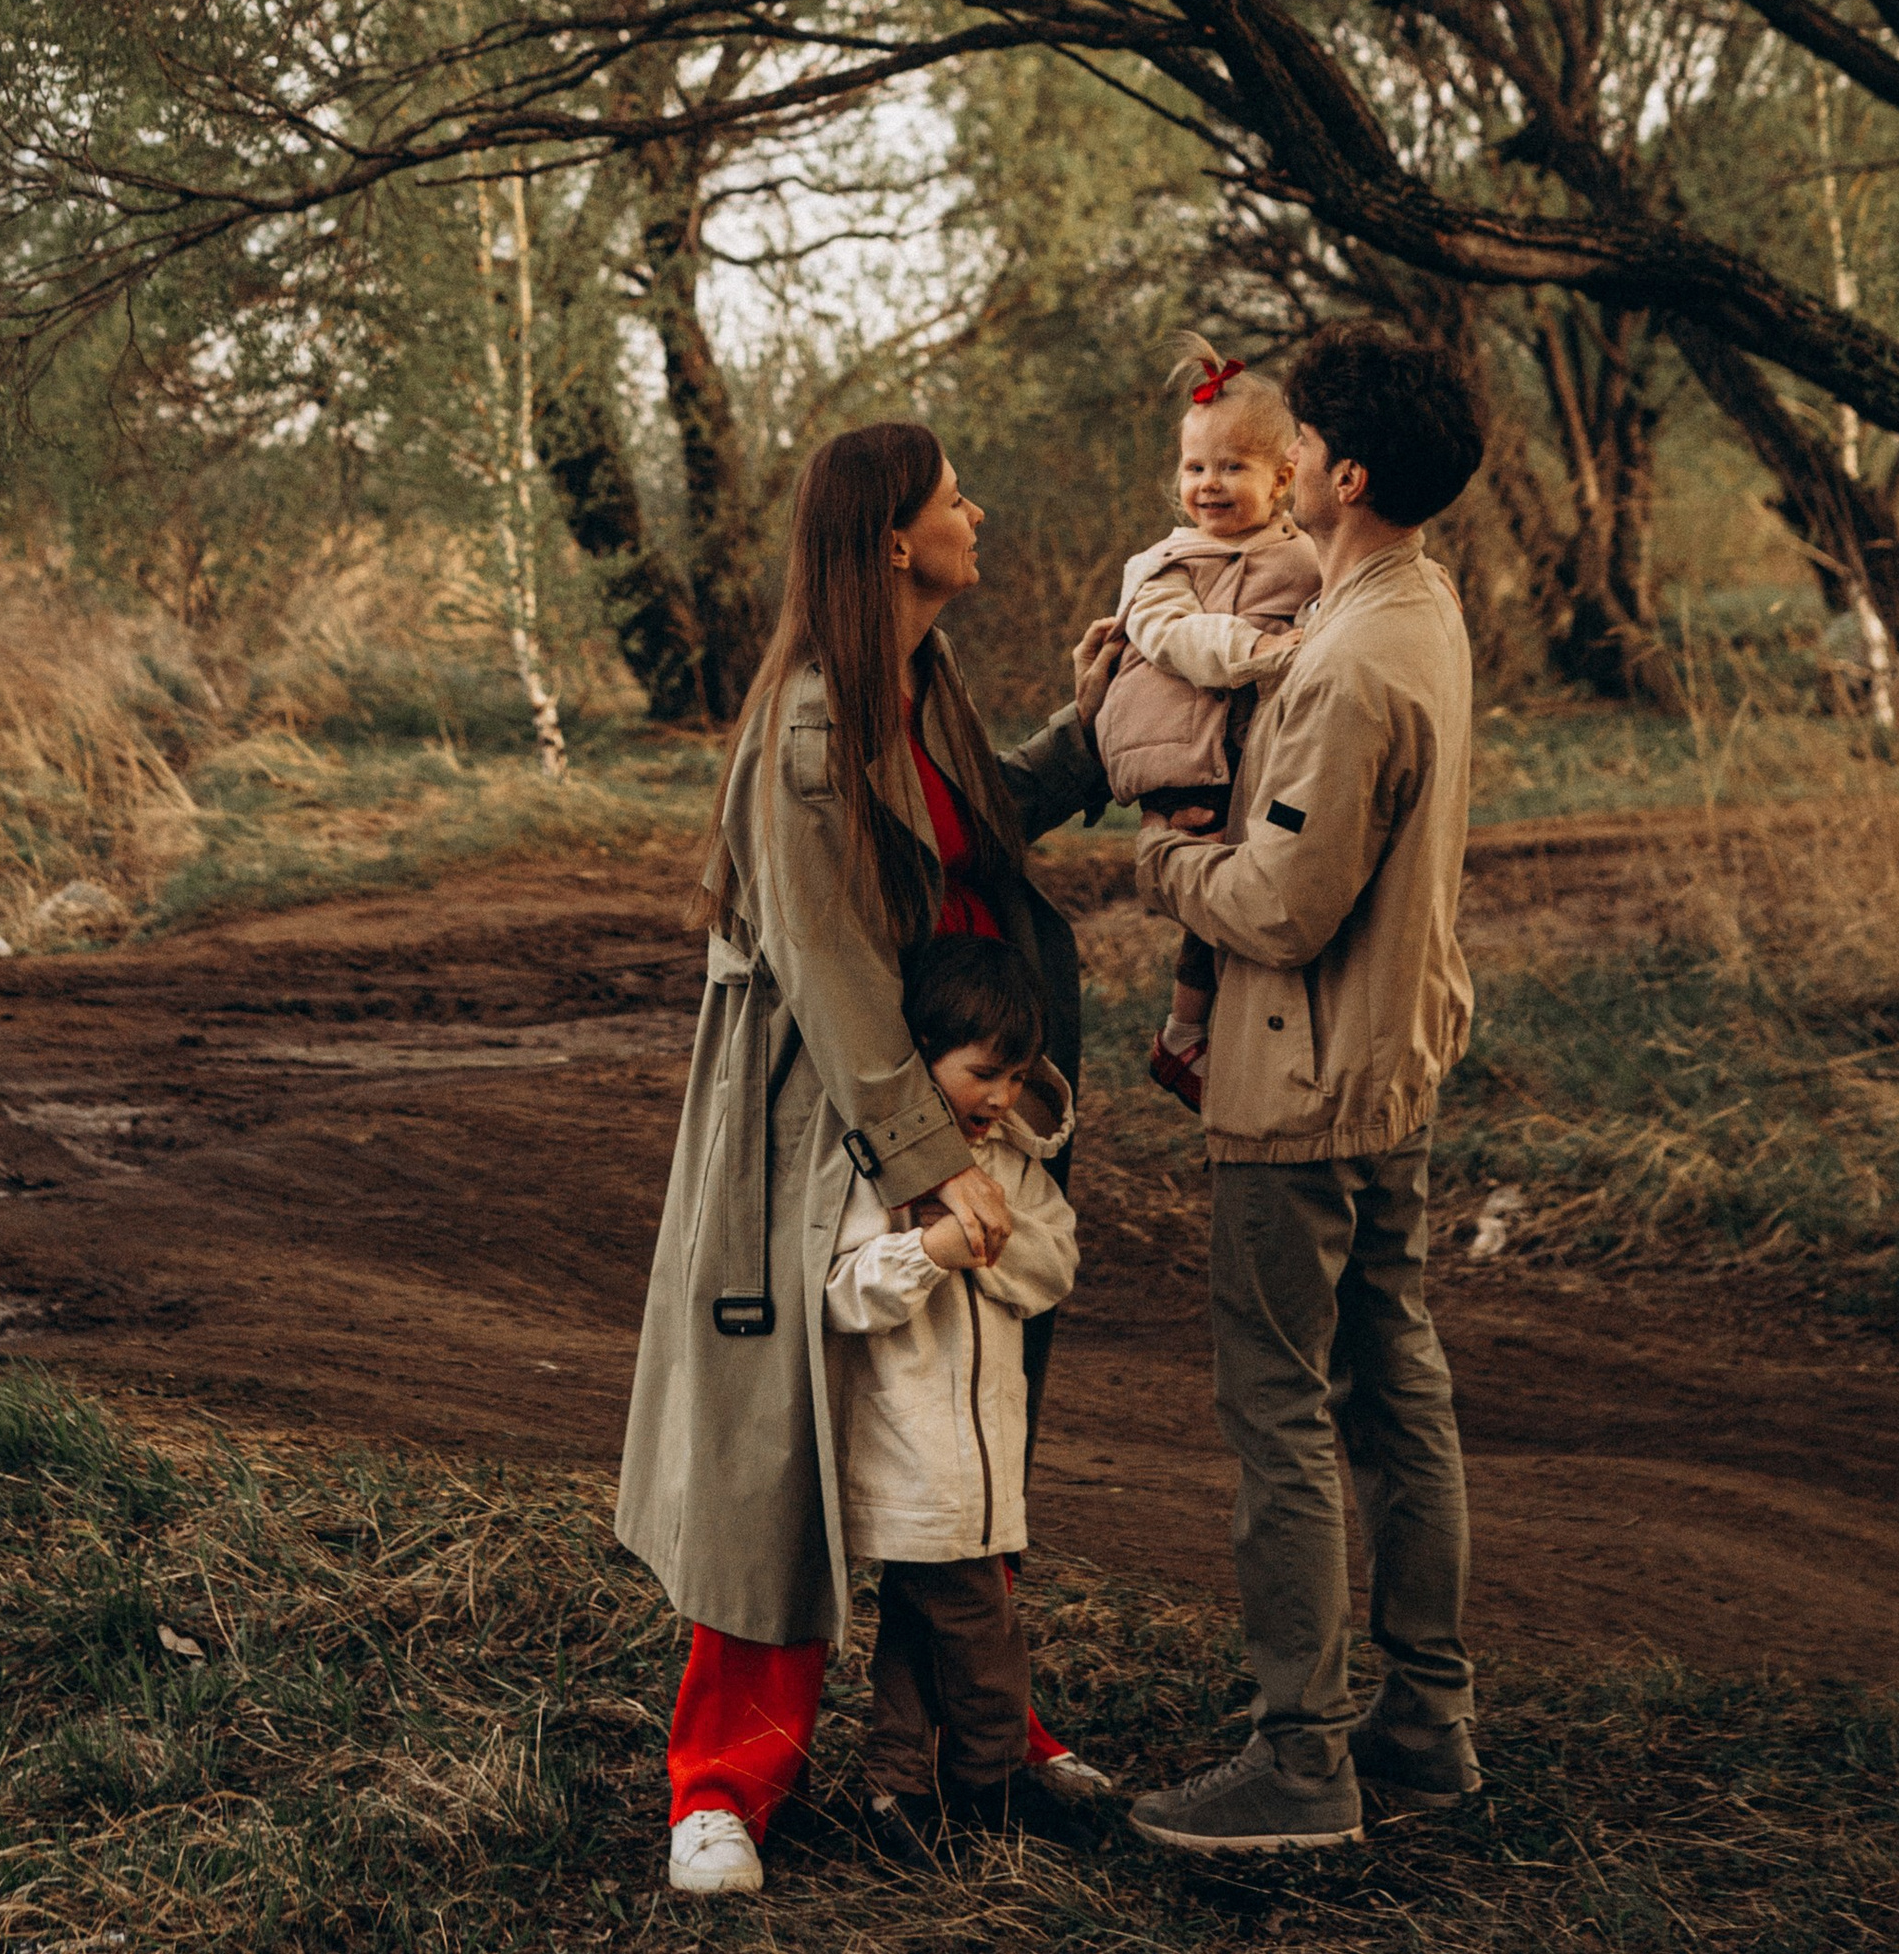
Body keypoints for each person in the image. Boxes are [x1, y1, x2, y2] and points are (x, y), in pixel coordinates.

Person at [616, 421, 1110, 1900]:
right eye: (956, 497)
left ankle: (979, 1732)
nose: (978, 511)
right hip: (822, 1136)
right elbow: (830, 969)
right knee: (781, 1464)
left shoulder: (919, 682)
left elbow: (970, 830)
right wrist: (922, 1159)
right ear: (895, 539)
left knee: (962, 1424)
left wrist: (1090, 729)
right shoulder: (807, 724)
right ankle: (720, 1787)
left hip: (950, 1104)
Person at [1124, 322, 1487, 1857]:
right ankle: (1425, 1727)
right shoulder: (1412, 600)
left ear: (1341, 475)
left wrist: (1163, 864)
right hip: (1391, 1059)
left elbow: (1279, 904)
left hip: (1302, 1076)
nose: (1283, 456)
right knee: (1397, 1392)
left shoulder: (1350, 663)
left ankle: (1302, 1763)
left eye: (1307, 438)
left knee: (1280, 1411)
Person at [825, 935, 1083, 1868]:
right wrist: (924, 1252)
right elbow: (842, 1291)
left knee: (917, 1621)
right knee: (980, 1626)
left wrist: (983, 1239)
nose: (1002, 1097)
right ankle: (991, 1775)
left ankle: (894, 1786)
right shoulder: (876, 1169)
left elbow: (1055, 1261)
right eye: (983, 1072)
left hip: (984, 1459)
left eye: (1017, 1076)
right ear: (922, 1055)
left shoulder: (1007, 1164)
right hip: (913, 1456)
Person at [1090, 334, 1322, 1115]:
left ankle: (1230, 1029)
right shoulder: (1164, 562)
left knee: (1263, 879)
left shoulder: (1305, 553)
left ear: (1283, 477)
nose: (1208, 484)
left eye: (1232, 467)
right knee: (1221, 879)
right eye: (1195, 468)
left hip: (1250, 749)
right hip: (1183, 752)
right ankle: (1184, 1030)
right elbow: (1172, 635)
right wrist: (1257, 649)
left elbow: (1349, 595)